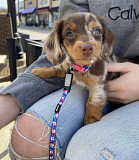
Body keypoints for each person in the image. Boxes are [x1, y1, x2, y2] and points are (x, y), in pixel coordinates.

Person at [0, 0, 139, 159]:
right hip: (95, 82)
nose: (86, 44)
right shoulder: (69, 55)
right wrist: (11, 99)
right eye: (70, 34)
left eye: (96, 32)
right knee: (29, 134)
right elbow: (58, 63)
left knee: (92, 151)